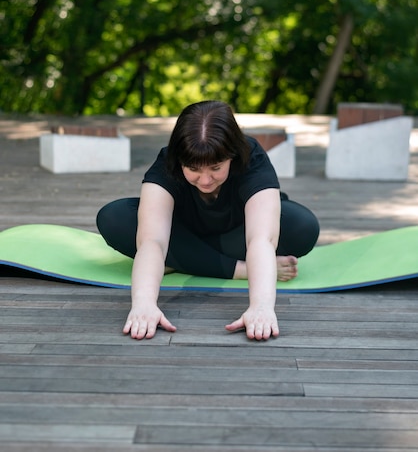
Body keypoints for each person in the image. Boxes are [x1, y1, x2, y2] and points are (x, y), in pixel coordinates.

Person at [96, 100, 319, 342]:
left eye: (215, 167)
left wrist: (261, 307)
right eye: (193, 169)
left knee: (302, 226)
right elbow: (152, 242)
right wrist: (143, 304)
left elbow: (261, 239)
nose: (205, 180)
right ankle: (241, 269)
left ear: (232, 155)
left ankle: (183, 262)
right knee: (115, 218)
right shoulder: (167, 162)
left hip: (234, 236)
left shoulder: (251, 158)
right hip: (183, 234)